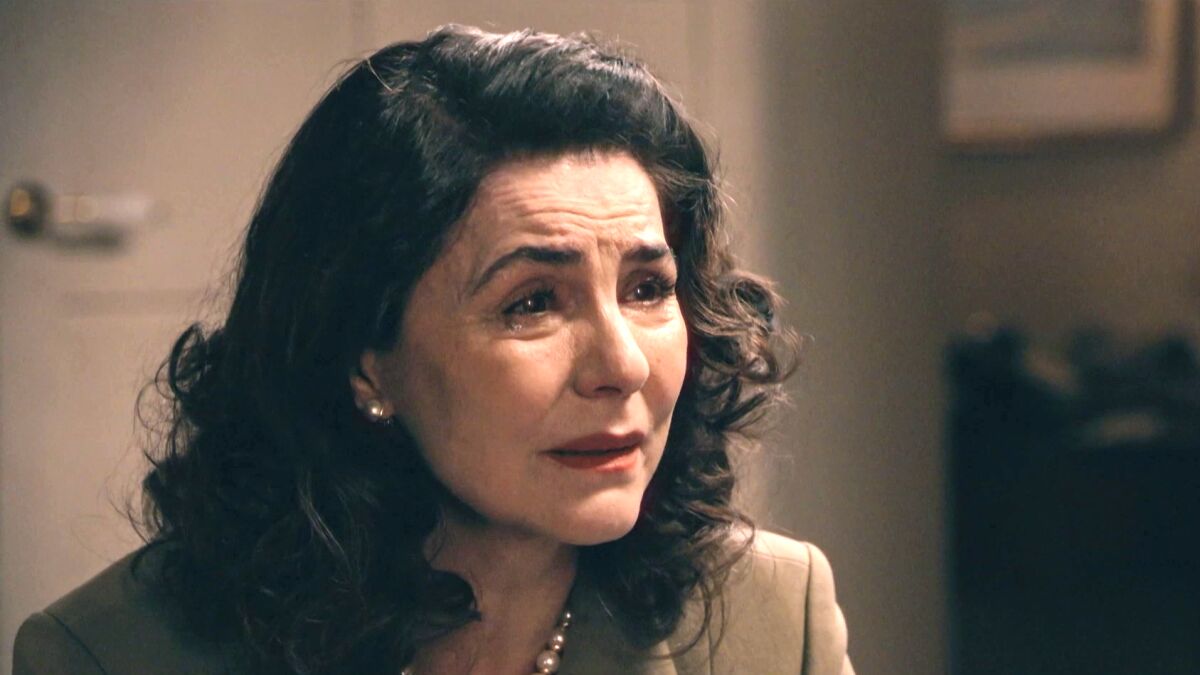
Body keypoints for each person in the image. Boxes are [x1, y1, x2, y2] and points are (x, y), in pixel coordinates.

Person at [13, 25, 852, 675]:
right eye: (533, 302)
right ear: (366, 358)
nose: (624, 364)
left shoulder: (776, 620)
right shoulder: (109, 653)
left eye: (646, 288)